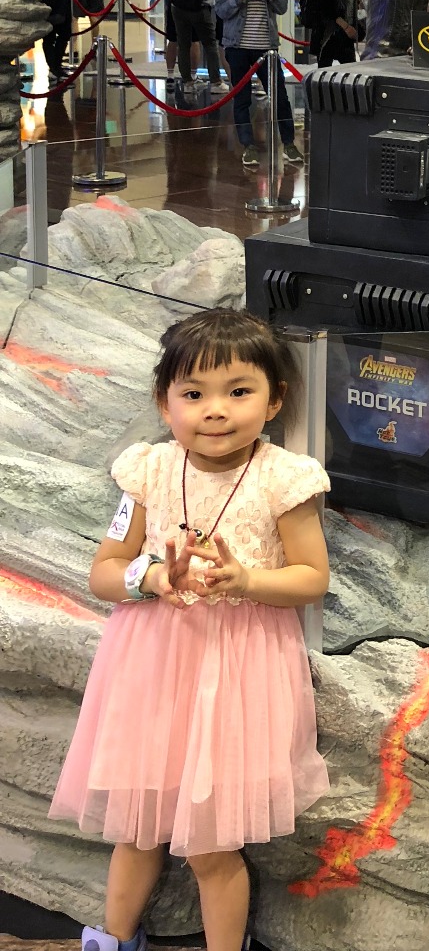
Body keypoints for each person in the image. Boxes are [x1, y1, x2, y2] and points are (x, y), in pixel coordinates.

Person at [49, 309, 330, 951]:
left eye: (239, 391)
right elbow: (104, 571)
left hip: (237, 671)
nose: (215, 410)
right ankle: (112, 939)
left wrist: (247, 580)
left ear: (275, 400)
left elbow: (312, 577)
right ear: (164, 401)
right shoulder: (147, 471)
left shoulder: (283, 480)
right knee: (136, 826)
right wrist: (151, 576)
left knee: (210, 844)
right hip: (151, 665)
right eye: (194, 393)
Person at [214, 0, 304, 169]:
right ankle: (248, 146)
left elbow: (282, 8)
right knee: (242, 98)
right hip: (237, 46)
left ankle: (289, 143)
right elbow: (220, 11)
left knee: (280, 97)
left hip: (267, 47)